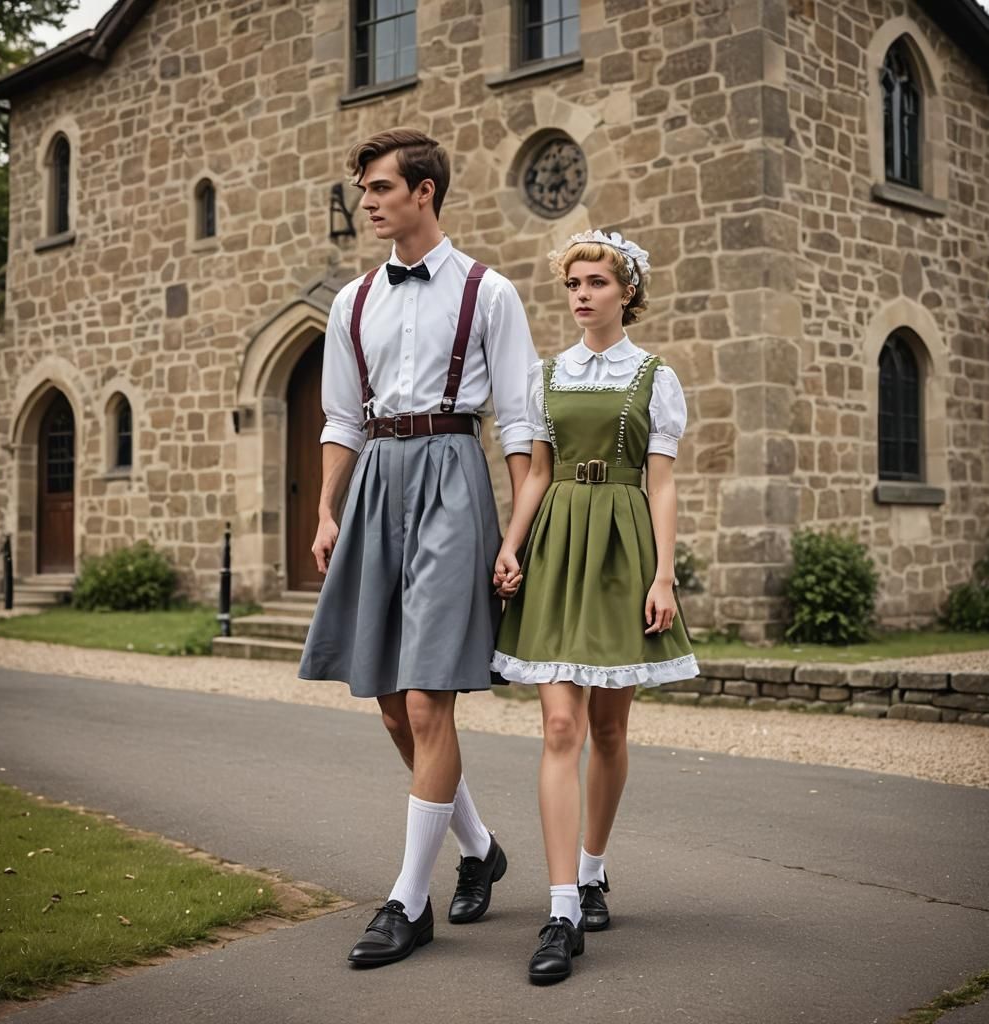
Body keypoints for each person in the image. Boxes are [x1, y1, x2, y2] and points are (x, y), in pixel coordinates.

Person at [297, 129, 537, 968]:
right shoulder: (351, 301)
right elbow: (338, 418)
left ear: (424, 191)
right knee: (392, 702)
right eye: (365, 188)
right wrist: (327, 509)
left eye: (380, 187)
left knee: (430, 698)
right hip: (375, 483)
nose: (367, 201)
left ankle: (406, 901)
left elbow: (519, 420)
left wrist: (514, 530)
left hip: (450, 475)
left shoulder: (489, 291)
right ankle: (479, 847)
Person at [491, 229, 699, 984]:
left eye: (596, 283)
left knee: (609, 727)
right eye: (573, 283)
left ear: (627, 293)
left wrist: (664, 575)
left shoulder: (655, 376)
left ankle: (592, 869)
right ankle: (559, 910)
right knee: (558, 725)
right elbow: (538, 472)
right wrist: (512, 544)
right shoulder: (547, 375)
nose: (581, 294)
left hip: (621, 546)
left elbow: (663, 481)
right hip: (555, 544)